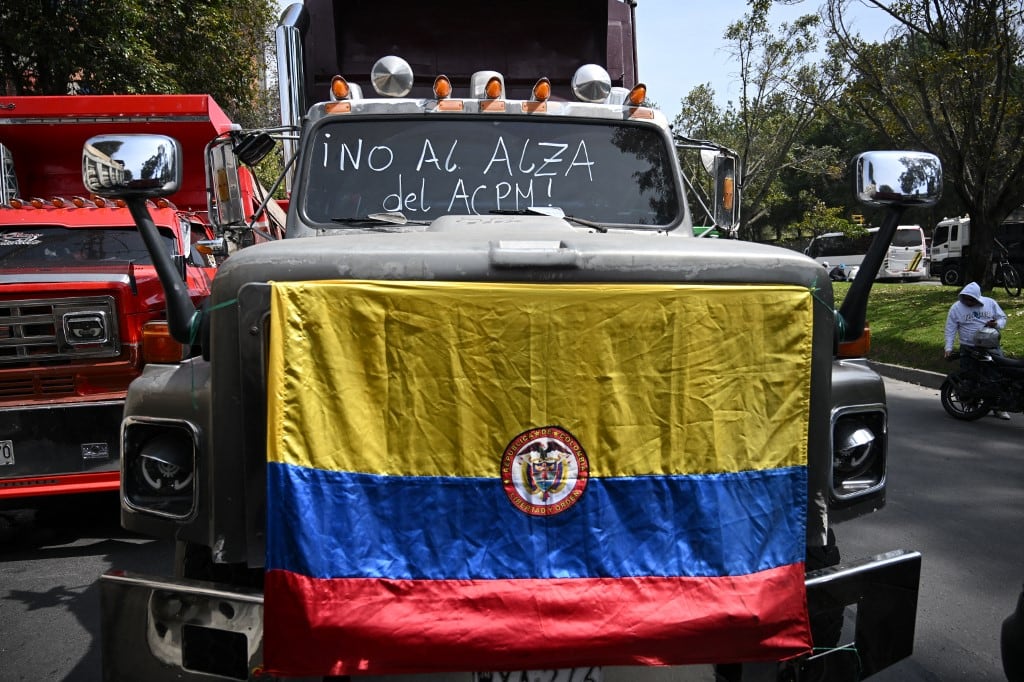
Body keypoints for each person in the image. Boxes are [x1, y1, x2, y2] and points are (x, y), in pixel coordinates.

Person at [943, 281, 1010, 419]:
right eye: (966, 299)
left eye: (972, 300)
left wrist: (996, 323)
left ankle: (999, 408)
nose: (968, 302)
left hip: (990, 347)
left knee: (996, 375)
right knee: (969, 376)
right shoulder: (956, 308)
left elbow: (1002, 318)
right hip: (968, 347)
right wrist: (948, 348)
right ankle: (972, 407)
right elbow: (950, 329)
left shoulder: (990, 303)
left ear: (977, 298)